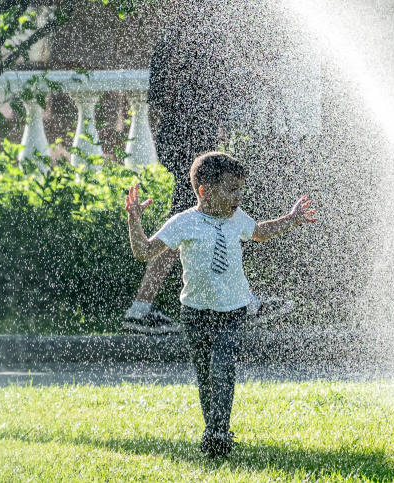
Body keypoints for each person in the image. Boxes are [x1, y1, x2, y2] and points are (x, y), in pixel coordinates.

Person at [124, 152, 317, 456]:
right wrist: (134, 221)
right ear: (204, 191)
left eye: (241, 189)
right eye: (231, 189)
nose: (238, 197)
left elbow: (260, 232)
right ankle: (213, 429)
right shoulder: (184, 223)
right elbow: (144, 252)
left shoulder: (236, 218)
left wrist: (291, 220)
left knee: (222, 368)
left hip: (234, 312)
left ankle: (219, 431)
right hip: (195, 315)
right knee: (205, 377)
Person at [122, 1, 280, 334]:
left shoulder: (171, 41)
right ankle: (143, 308)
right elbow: (219, 93)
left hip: (178, 145)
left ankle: (145, 307)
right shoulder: (199, 41)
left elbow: (156, 107)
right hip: (193, 150)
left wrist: (166, 148)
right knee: (201, 219)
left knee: (200, 220)